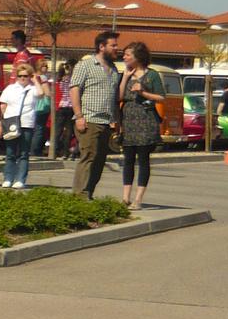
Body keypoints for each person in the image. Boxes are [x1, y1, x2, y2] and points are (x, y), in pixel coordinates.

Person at [69, 31, 120, 199]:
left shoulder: (113, 70)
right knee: (89, 156)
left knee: (99, 160)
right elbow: (75, 89)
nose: (116, 48)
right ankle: (80, 195)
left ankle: (89, 193)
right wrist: (79, 116)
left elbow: (114, 99)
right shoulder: (85, 65)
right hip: (89, 119)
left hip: (106, 121)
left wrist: (117, 122)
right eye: (113, 45)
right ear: (101, 46)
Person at [116, 40, 164, 210]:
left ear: (138, 56)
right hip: (128, 119)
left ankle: (138, 199)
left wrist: (142, 92)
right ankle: (125, 197)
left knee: (143, 160)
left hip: (146, 120)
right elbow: (119, 97)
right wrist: (125, 79)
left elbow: (161, 97)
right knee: (128, 159)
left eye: (127, 54)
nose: (124, 57)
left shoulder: (152, 75)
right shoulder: (125, 74)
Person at [0, 62, 42, 189]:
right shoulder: (10, 89)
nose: (22, 78)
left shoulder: (32, 89)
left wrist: (35, 80)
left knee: (23, 153)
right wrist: (2, 122)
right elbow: (2, 106)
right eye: (20, 76)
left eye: (26, 76)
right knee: (10, 152)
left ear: (30, 76)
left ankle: (21, 179)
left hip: (27, 124)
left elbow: (42, 94)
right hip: (11, 124)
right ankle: (8, 178)